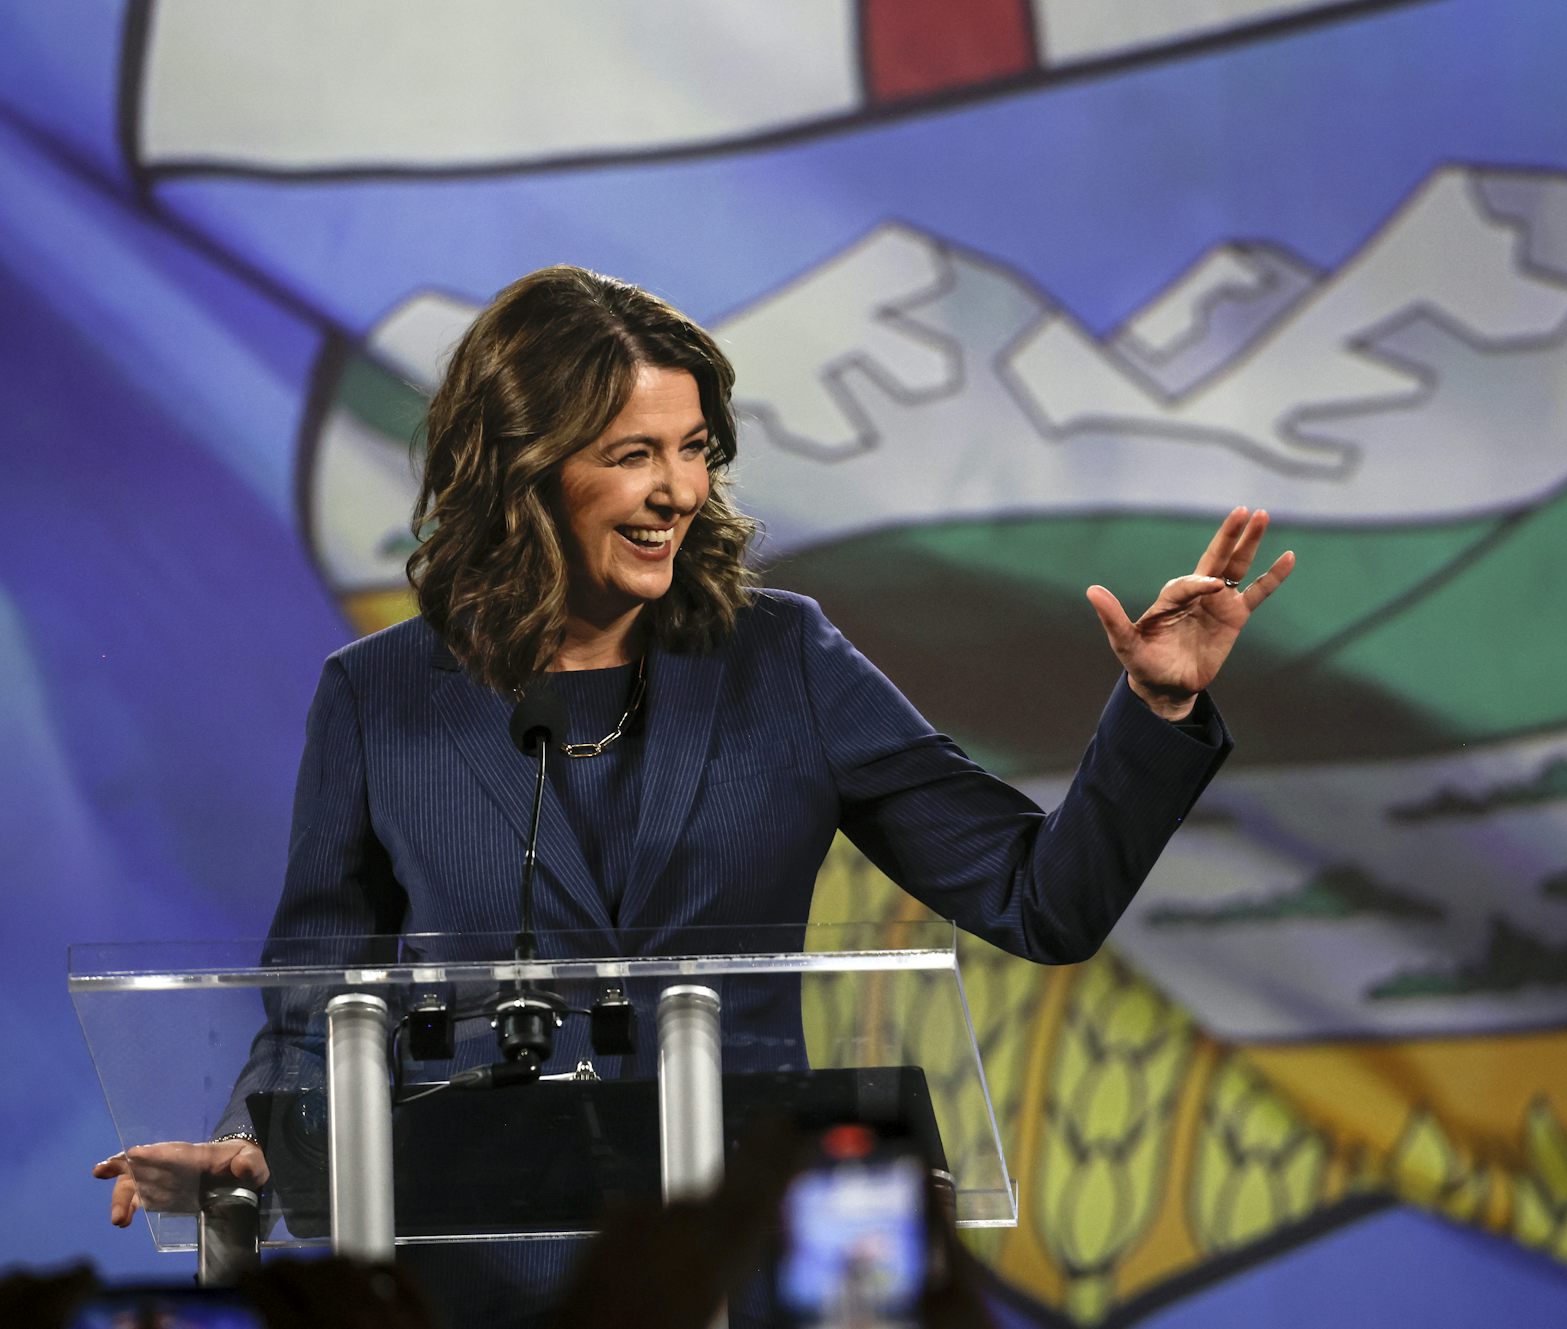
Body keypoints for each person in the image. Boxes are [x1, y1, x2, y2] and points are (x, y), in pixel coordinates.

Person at [93, 265, 1295, 1324]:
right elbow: (317, 998)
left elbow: (1042, 902)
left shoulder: (785, 661)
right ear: (523, 470)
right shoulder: (381, 698)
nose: (679, 489)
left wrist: (1161, 711)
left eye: (695, 449)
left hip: (757, 1272)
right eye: (634, 454)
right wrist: (254, 1144)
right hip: (489, 1288)